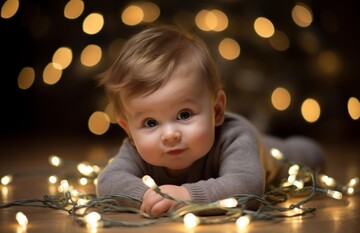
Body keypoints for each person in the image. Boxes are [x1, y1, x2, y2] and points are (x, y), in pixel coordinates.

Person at [96, 24, 324, 216]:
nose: (170, 134)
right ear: (128, 130)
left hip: (267, 156)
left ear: (216, 111)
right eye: (150, 123)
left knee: (297, 156)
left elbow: (248, 187)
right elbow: (108, 182)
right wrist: (147, 196)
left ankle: (309, 150)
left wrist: (186, 197)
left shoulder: (234, 137)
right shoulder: (135, 150)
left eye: (184, 115)